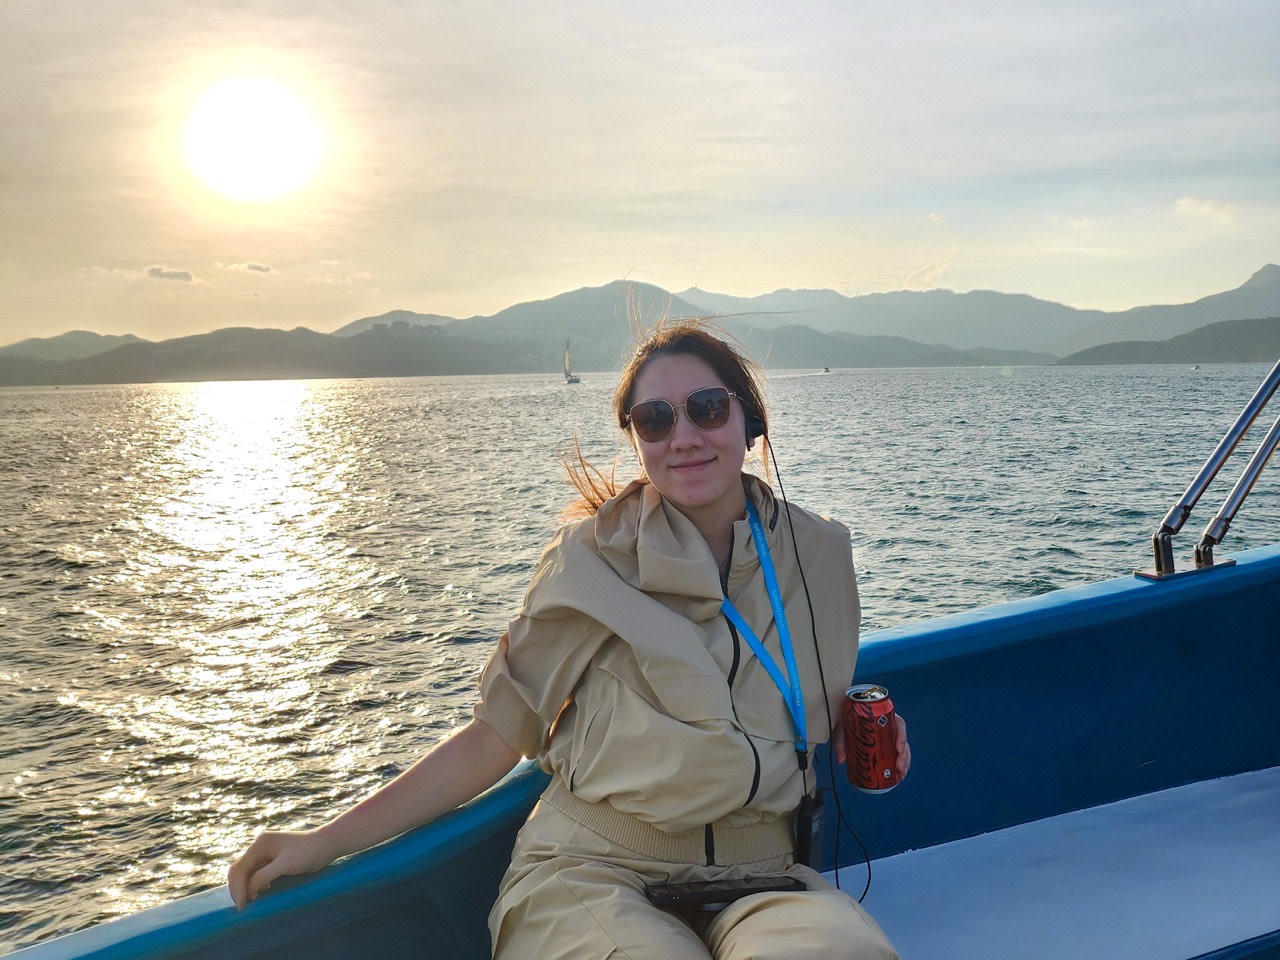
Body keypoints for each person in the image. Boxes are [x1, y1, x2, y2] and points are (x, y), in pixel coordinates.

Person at [229, 320, 909, 959]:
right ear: (637, 439)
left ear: (749, 419)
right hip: (595, 869)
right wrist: (322, 842)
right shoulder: (590, 560)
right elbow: (493, 738)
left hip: (766, 872)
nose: (685, 436)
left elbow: (803, 691)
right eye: (656, 419)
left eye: (707, 407)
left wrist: (852, 729)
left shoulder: (817, 551)